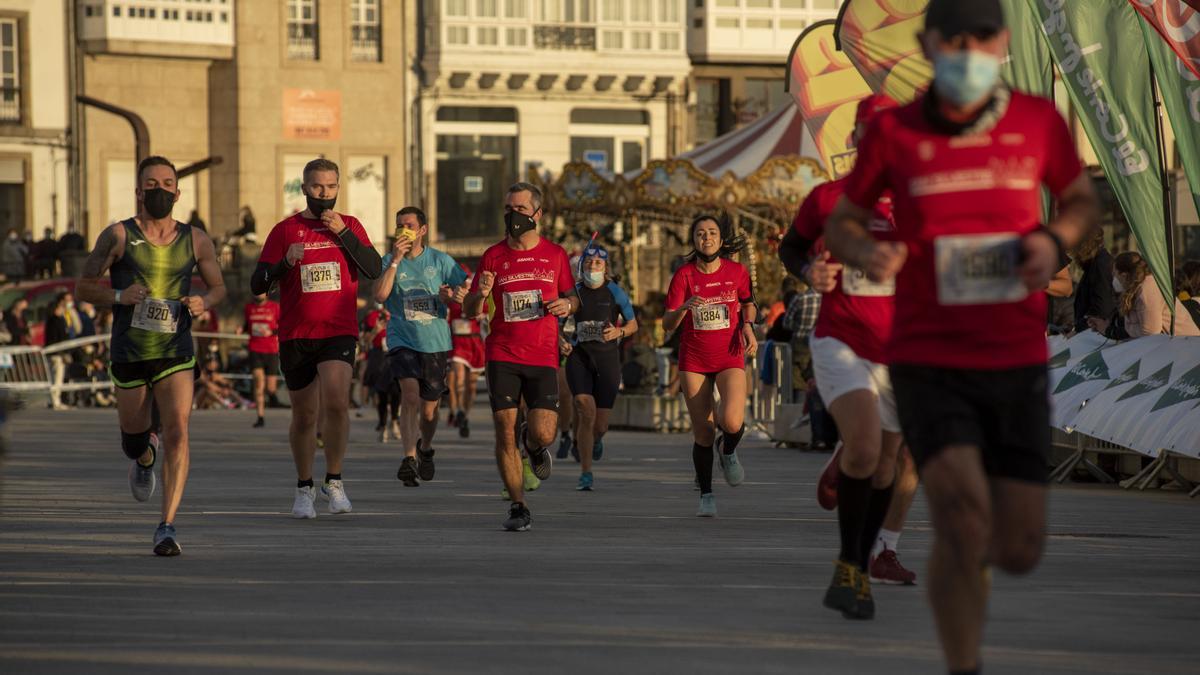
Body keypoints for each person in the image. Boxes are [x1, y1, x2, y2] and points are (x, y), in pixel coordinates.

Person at [825, 1, 1100, 670]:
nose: (967, 51)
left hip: (1014, 358)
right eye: (953, 40)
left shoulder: (1037, 121)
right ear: (929, 43)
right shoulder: (894, 133)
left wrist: (1053, 241)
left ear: (1000, 43)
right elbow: (843, 222)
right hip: (927, 354)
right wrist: (868, 254)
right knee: (960, 512)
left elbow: (1081, 201)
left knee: (1019, 543)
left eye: (980, 39)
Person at [779, 93, 918, 614]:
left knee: (887, 465)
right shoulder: (828, 199)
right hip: (842, 340)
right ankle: (849, 567)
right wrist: (808, 272)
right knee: (862, 447)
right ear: (857, 140)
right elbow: (791, 247)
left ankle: (859, 564)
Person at [76, 155, 227, 556]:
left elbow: (219, 288)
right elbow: (83, 288)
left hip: (175, 350)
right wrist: (117, 296)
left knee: (178, 430)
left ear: (178, 192)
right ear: (139, 192)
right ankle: (143, 458)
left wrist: (202, 302)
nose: (160, 191)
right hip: (130, 350)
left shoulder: (196, 240)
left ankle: (167, 526)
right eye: (152, 184)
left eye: (167, 184)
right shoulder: (118, 236)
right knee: (133, 438)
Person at [251, 158, 382, 520]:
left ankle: (334, 480)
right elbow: (257, 284)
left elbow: (374, 268)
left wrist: (344, 234)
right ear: (304, 188)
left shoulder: (350, 225)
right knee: (305, 415)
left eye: (330, 187)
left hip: (337, 331)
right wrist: (284, 266)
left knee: (338, 403)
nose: (324, 194)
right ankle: (304, 486)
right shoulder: (285, 230)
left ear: (338, 188)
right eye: (317, 187)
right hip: (296, 334)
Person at [462, 182, 577, 531]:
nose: (513, 216)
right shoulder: (493, 256)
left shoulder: (555, 255)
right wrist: (479, 293)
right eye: (509, 209)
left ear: (537, 215)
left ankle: (536, 447)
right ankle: (518, 506)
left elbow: (574, 298)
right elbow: (470, 310)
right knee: (503, 430)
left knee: (543, 434)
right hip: (502, 352)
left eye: (521, 210)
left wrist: (567, 305)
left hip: (542, 355)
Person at [663, 214, 757, 518]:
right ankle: (706, 493)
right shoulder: (684, 276)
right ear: (693, 240)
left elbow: (748, 302)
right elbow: (666, 324)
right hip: (694, 360)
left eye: (712, 232)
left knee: (730, 421)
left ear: (720, 238)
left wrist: (748, 326)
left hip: (729, 355)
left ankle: (727, 450)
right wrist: (682, 309)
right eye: (700, 233)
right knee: (703, 430)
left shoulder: (737, 271)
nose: (707, 237)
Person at [374, 206, 469, 487]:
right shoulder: (388, 260)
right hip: (402, 338)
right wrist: (395, 260)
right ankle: (408, 457)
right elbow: (380, 295)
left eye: (410, 225)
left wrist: (451, 295)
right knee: (410, 396)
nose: (405, 230)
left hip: (434, 342)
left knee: (429, 411)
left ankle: (425, 446)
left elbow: (465, 294)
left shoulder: (440, 261)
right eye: (400, 225)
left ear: (422, 230)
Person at [564, 244, 638, 491]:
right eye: (588, 263)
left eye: (598, 264)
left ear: (606, 269)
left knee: (600, 425)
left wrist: (619, 331)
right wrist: (560, 342)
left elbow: (633, 325)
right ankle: (586, 473)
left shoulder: (615, 292)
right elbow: (556, 323)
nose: (593, 267)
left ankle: (596, 440)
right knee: (585, 409)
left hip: (607, 360)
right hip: (580, 358)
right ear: (581, 267)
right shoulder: (573, 293)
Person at [1087, 251, 1200, 338]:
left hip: (1183, 343)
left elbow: (1150, 332)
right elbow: (1138, 324)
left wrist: (1120, 329)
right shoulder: (1136, 289)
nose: (1113, 279)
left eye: (1115, 274)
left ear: (1124, 275)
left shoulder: (1147, 288)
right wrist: (1106, 325)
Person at [446, 265, 486, 438]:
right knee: (457, 379)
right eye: (461, 284)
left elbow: (486, 313)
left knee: (471, 385)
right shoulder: (452, 301)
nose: (464, 286)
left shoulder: (477, 297)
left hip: (475, 343)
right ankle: (457, 410)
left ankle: (465, 414)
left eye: (467, 283)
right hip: (458, 344)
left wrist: (481, 315)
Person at [241, 293, 282, 427]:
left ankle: (271, 399)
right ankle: (260, 417)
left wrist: (272, 332)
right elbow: (247, 324)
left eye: (261, 291)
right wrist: (241, 329)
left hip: (271, 351)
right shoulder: (249, 308)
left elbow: (283, 326)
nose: (258, 293)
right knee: (259, 385)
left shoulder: (275, 307)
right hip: (255, 349)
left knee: (270, 388)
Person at [1071, 226, 1115, 335]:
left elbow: (1101, 308)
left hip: (1095, 333)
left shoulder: (1100, 265)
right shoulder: (1094, 263)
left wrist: (1079, 328)